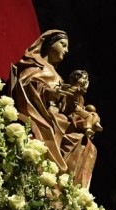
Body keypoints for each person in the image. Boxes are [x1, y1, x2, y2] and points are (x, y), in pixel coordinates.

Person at [10, 30, 97, 189]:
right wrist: (51, 93)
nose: (67, 50)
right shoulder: (36, 66)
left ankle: (71, 191)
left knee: (87, 145)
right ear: (50, 44)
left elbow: (65, 105)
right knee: (73, 135)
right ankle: (58, 183)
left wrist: (74, 97)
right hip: (43, 114)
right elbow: (27, 85)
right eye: (63, 45)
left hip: (58, 116)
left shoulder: (58, 75)